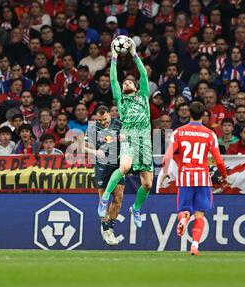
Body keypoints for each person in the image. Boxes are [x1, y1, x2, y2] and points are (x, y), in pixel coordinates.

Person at [98, 38, 153, 228]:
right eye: (125, 83)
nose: (127, 83)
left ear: (136, 87)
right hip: (129, 137)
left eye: (130, 82)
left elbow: (144, 74)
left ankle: (136, 208)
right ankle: (105, 198)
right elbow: (113, 78)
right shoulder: (121, 100)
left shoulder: (143, 96)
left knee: (147, 185)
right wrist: (114, 57)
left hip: (144, 141)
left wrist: (134, 54)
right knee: (124, 167)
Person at [161, 102, 228, 256]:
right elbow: (218, 160)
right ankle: (195, 246)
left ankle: (184, 217)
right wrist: (224, 176)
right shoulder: (210, 134)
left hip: (185, 177)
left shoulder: (178, 132)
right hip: (203, 178)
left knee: (184, 210)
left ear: (189, 113)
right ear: (203, 114)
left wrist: (165, 172)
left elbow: (168, 156)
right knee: (200, 215)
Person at [84, 106, 124, 246]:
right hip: (101, 166)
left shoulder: (119, 124)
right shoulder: (93, 127)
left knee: (118, 197)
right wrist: (94, 152)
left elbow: (128, 141)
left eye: (105, 119)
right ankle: (106, 228)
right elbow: (84, 146)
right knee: (103, 199)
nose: (102, 122)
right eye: (99, 120)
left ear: (110, 115)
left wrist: (125, 139)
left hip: (117, 165)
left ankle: (111, 227)